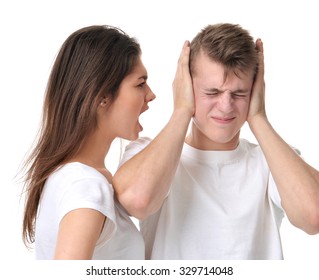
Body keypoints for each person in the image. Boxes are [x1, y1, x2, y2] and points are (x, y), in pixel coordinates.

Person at [113, 23, 319, 259]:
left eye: (239, 93)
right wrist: (181, 110)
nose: (226, 106)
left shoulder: (271, 160)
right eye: (212, 92)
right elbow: (137, 201)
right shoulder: (146, 151)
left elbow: (313, 217)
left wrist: (259, 118)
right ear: (186, 86)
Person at [21, 25, 159, 259]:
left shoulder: (72, 178)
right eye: (139, 84)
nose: (151, 94)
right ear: (102, 97)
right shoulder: (85, 186)